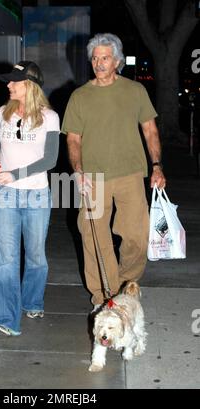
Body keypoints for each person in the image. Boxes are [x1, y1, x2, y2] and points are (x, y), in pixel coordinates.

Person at [61, 33, 166, 311]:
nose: (99, 63)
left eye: (104, 57)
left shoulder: (135, 91)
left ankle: (125, 285)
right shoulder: (80, 96)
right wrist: (78, 171)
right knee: (94, 236)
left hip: (131, 174)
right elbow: (73, 139)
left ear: (117, 60)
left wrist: (156, 166)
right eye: (95, 58)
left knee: (137, 235)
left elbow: (150, 130)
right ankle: (104, 297)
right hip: (92, 178)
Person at [0, 61, 60, 336]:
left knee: (36, 255)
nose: (9, 85)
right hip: (4, 195)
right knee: (6, 259)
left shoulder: (49, 117)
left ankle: (33, 300)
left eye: (15, 81)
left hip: (37, 194)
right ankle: (5, 318)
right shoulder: (2, 112)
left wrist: (14, 174)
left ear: (30, 85)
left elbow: (50, 159)